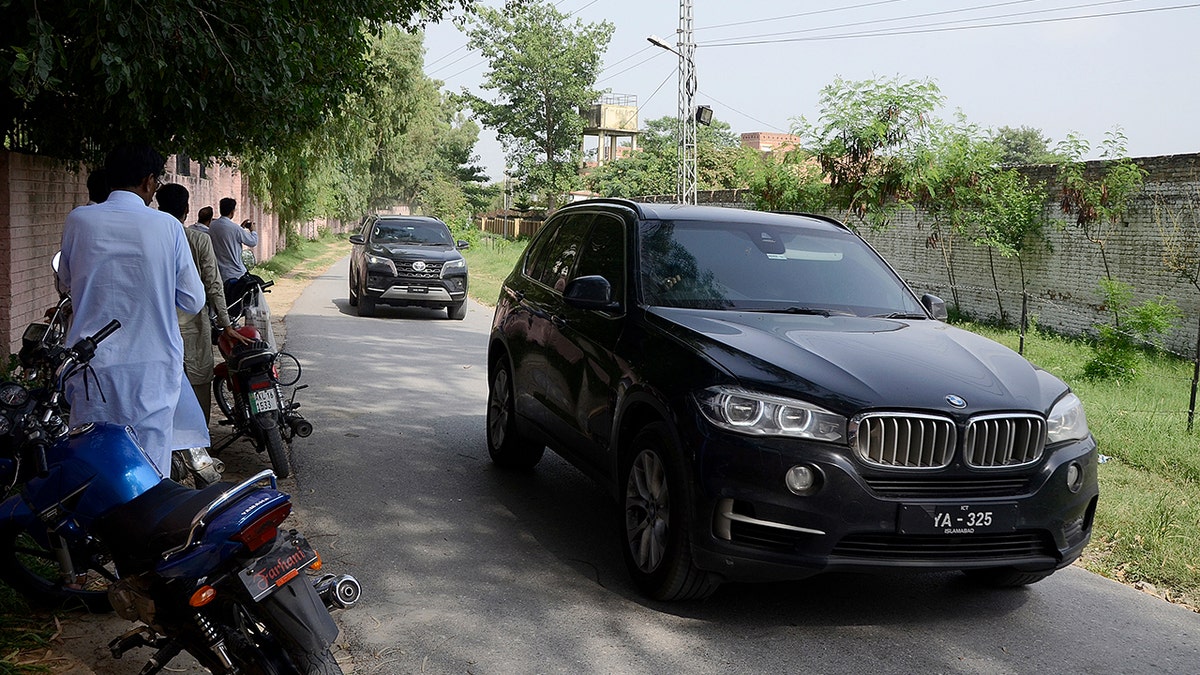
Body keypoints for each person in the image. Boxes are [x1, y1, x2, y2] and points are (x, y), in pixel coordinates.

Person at [58, 144, 206, 476]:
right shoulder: (168, 227)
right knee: (150, 472)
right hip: (151, 373)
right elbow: (193, 300)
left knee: (92, 468)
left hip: (92, 368)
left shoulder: (79, 221)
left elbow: (66, 281)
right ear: (148, 181)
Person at [156, 183, 250, 424]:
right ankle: (199, 448)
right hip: (193, 328)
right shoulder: (198, 240)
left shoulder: (151, 239)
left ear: (158, 206)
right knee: (198, 388)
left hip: (157, 329)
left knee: (160, 391)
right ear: (187, 209)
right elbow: (213, 285)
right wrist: (226, 324)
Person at [209, 197, 258, 285]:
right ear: (232, 212)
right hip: (235, 274)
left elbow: (227, 235)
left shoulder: (212, 226)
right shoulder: (235, 229)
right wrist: (253, 230)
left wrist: (241, 227)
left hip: (218, 273)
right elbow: (252, 242)